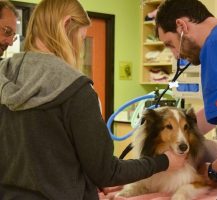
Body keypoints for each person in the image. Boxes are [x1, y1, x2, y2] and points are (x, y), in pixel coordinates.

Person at [0, 0, 187, 199]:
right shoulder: (75, 89)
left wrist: (88, 179)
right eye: (81, 38)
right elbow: (108, 172)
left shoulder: (4, 75)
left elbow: (44, 159)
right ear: (65, 25)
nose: (79, 49)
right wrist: (164, 162)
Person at [155, 0, 217, 199]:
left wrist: (214, 171)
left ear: (182, 26)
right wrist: (180, 128)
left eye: (170, 45)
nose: (175, 55)